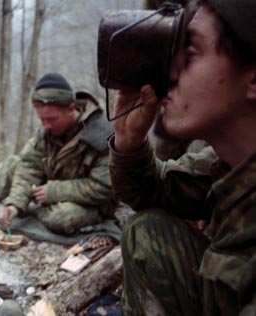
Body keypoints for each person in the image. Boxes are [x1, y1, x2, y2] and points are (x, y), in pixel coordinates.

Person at [108, 0, 256, 315]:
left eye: (189, 55)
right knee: (147, 230)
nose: (169, 73)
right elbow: (153, 190)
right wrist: (129, 141)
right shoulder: (228, 165)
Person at [0, 73, 116, 236]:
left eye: (52, 119)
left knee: (62, 217)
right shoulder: (46, 131)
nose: (46, 126)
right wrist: (15, 205)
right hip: (49, 190)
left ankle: (34, 212)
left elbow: (104, 187)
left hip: (90, 203)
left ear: (70, 108)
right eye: (42, 120)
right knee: (13, 163)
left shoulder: (102, 133)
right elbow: (29, 167)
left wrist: (55, 191)